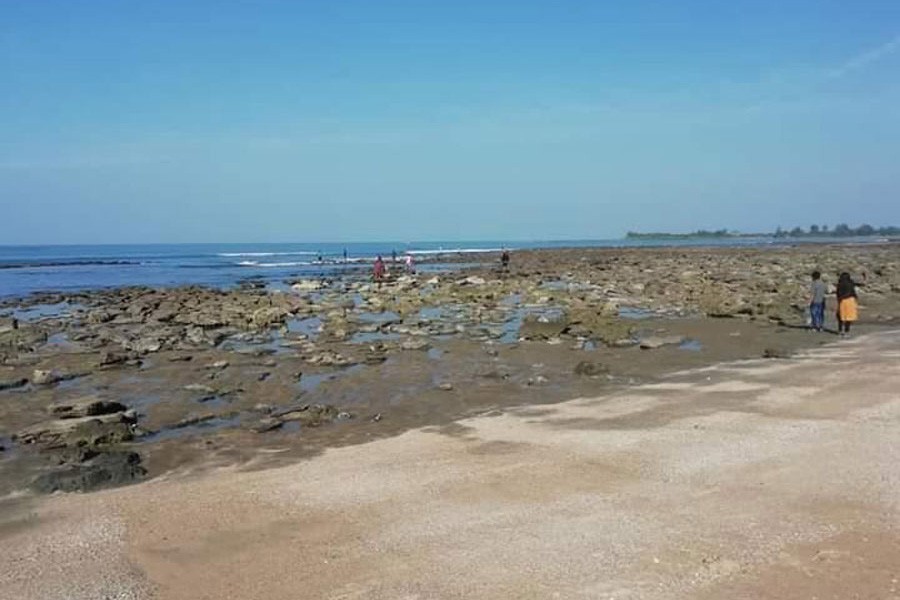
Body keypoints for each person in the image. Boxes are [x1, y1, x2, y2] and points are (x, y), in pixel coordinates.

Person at [835, 272, 859, 337]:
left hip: (842, 301)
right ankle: (846, 331)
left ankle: (840, 330)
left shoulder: (840, 284)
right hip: (850, 301)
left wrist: (839, 300)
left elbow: (838, 294)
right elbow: (853, 292)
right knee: (849, 318)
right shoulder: (851, 283)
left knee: (840, 316)